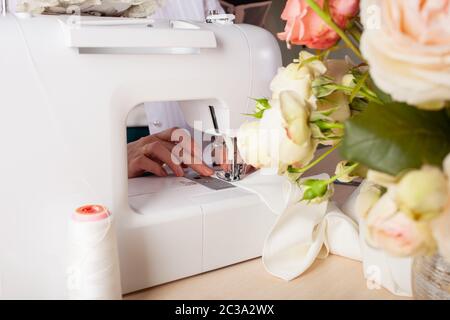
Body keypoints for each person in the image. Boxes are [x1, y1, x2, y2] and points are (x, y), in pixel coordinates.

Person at [128, 0, 225, 178]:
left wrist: (236, 137)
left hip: (194, 151)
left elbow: (225, 59)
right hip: (127, 145)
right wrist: (117, 158)